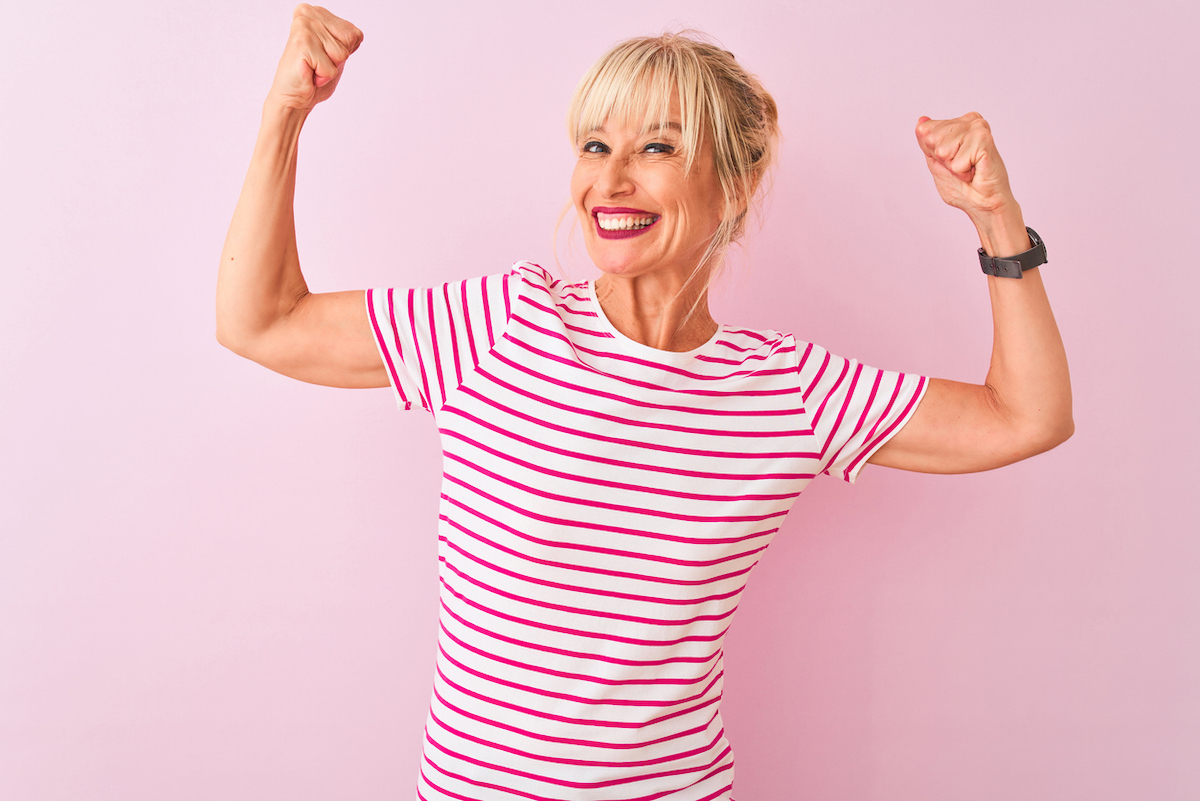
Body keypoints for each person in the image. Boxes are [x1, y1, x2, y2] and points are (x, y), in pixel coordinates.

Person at [217, 5, 1072, 800]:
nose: (611, 179)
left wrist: (997, 220)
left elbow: (1025, 416)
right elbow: (263, 320)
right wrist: (283, 113)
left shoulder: (787, 391)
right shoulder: (500, 324)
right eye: (595, 145)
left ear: (735, 185)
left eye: (657, 148)